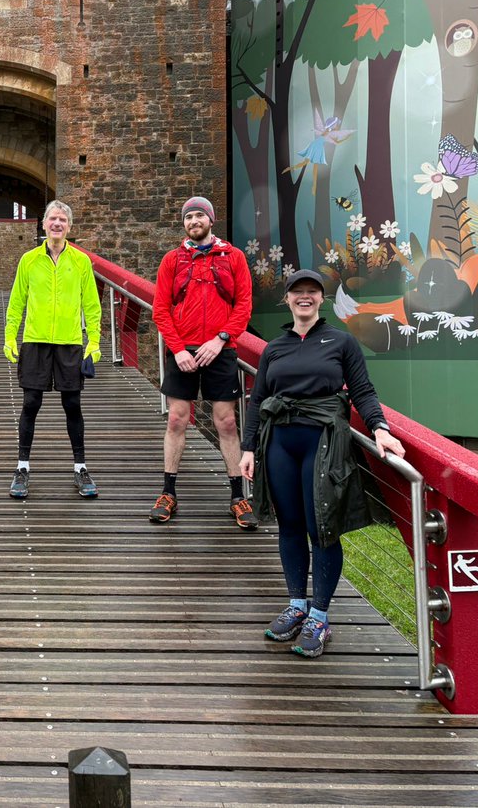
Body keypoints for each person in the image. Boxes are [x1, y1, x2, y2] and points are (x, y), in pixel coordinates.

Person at [239, 269, 405, 659]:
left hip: (323, 442)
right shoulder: (274, 348)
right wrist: (248, 448)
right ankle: (297, 605)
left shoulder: (341, 341)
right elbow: (257, 399)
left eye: (312, 291)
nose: (305, 297)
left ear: (321, 299)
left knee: (322, 526)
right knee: (290, 525)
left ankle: (320, 616)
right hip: (280, 442)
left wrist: (380, 428)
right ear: (286, 299)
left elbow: (362, 389)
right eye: (297, 291)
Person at [151, 196, 255, 528]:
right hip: (182, 351)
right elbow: (160, 310)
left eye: (199, 215)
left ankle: (238, 497)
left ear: (211, 220)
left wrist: (221, 338)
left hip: (220, 350)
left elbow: (244, 304)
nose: (194, 221)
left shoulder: (233, 257)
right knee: (176, 420)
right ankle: (168, 493)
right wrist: (178, 349)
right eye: (188, 217)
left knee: (226, 422)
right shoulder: (172, 259)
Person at [4, 199, 102, 499]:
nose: (57, 224)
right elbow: (17, 301)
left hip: (69, 342)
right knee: (30, 403)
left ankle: (80, 467)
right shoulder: (29, 260)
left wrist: (94, 341)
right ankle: (22, 467)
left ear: (69, 227)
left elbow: (92, 305)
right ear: (44, 224)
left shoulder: (81, 261)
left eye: (63, 220)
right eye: (52, 219)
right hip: (35, 341)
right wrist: (10, 337)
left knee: (72, 404)